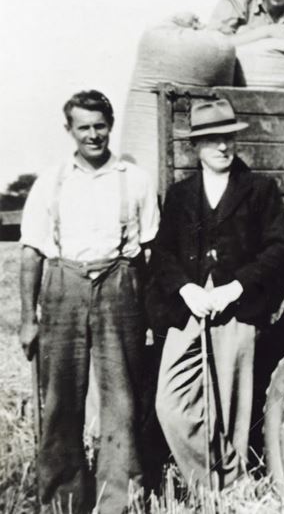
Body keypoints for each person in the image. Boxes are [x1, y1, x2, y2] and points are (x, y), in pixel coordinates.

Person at [18, 90, 160, 513]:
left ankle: (119, 499)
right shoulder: (52, 182)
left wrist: (147, 311)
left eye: (100, 125)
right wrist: (29, 319)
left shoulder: (134, 179)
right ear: (70, 131)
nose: (93, 135)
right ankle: (63, 499)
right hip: (64, 287)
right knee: (61, 400)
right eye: (84, 127)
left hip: (119, 285)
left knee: (123, 400)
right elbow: (32, 252)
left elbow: (150, 250)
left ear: (110, 125)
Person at [148, 98, 284, 490]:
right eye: (212, 140)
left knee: (231, 407)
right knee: (172, 403)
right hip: (190, 308)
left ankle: (229, 492)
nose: (223, 147)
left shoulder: (260, 189)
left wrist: (236, 286)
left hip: (238, 307)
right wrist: (186, 289)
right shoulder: (180, 195)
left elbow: (280, 248)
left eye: (228, 137)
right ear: (196, 146)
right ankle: (214, 479)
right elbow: (162, 253)